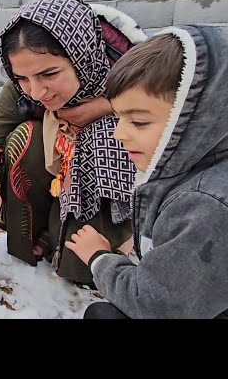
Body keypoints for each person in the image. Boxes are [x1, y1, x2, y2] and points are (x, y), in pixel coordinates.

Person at [0, 0, 147, 286]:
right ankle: (40, 232)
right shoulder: (20, 90)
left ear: (81, 54)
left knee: (80, 270)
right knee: (24, 137)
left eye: (49, 73)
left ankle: (115, 237)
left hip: (122, 196)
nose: (36, 92)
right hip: (54, 182)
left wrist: (112, 107)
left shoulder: (141, 77)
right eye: (22, 78)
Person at [65, 25, 228, 319]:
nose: (118, 134)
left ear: (199, 119)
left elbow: (156, 303)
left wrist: (100, 259)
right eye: (117, 117)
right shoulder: (197, 171)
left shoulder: (204, 205)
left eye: (138, 122)